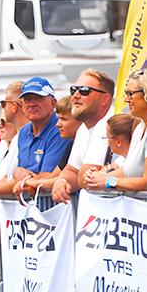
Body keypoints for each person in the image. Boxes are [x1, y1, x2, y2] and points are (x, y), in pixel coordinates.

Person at [85, 68, 147, 193]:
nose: (126, 99)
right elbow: (128, 172)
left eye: (130, 94)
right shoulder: (141, 127)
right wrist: (99, 177)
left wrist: (107, 182)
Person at [0, 77, 71, 200]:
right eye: (27, 99)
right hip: (28, 209)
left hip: (52, 208)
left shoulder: (59, 129)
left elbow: (43, 180)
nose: (32, 104)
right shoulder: (23, 132)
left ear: (53, 103)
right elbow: (18, 178)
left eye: (38, 98)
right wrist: (19, 176)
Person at [52, 69, 116, 203]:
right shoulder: (83, 129)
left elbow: (85, 178)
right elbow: (71, 170)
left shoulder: (111, 124)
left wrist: (68, 179)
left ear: (104, 99)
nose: (75, 95)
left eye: (84, 90)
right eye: (73, 90)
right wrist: (61, 181)